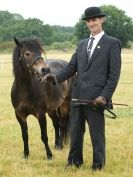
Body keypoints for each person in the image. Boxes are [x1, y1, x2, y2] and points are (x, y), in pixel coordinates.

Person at [44, 6, 121, 170]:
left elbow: (114, 75)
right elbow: (71, 67)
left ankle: (98, 165)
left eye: (94, 20)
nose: (91, 23)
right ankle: (74, 162)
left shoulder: (112, 43)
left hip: (96, 98)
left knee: (96, 134)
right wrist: (55, 78)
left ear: (101, 20)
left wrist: (105, 96)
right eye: (89, 21)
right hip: (77, 96)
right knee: (75, 132)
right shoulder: (82, 44)